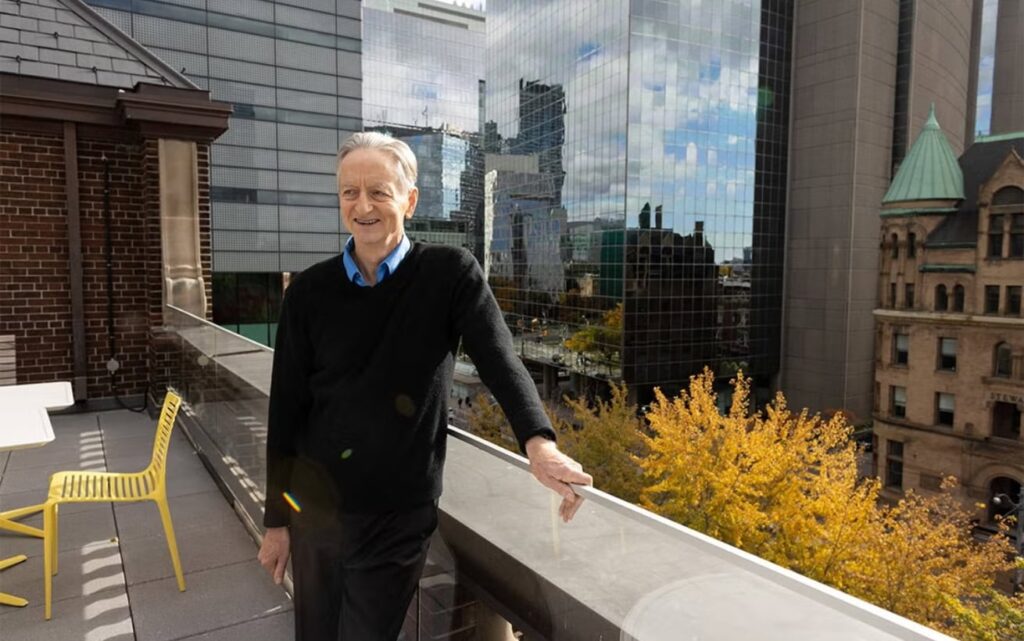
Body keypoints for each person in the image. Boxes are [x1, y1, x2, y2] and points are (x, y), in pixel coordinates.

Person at [257, 131, 592, 641]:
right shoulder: (307, 293)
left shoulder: (449, 274)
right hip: (315, 514)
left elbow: (501, 362)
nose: (362, 205)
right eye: (350, 192)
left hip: (397, 516)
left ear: (409, 200)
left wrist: (539, 444)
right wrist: (276, 521)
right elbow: (286, 412)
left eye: (378, 191)